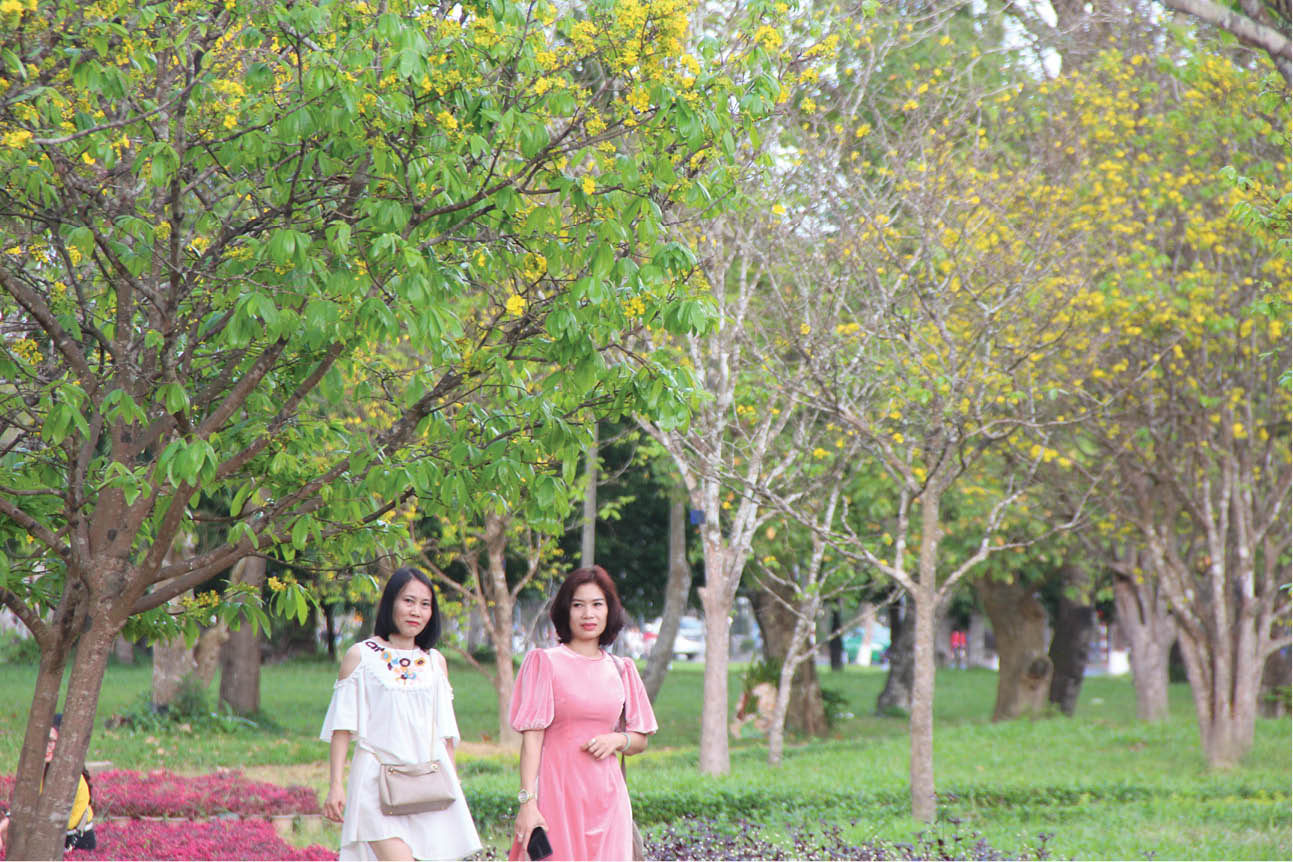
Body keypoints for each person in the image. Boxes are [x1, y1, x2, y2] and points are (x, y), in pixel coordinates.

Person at [321, 567, 481, 861]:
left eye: (425, 604)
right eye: (408, 601)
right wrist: (335, 785)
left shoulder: (435, 663)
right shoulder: (362, 656)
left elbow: (445, 734)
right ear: (391, 602)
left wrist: (453, 785)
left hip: (426, 784)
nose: (416, 611)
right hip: (374, 783)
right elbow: (341, 728)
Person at [509, 565, 658, 861]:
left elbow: (640, 739)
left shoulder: (622, 668)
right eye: (578, 605)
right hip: (557, 797)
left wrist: (618, 741)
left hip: (608, 801)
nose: (588, 614)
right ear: (566, 611)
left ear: (609, 611)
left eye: (597, 604)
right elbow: (532, 740)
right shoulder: (545, 663)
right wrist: (528, 802)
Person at [0, 713, 96, 855]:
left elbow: (49, 818)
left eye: (50, 741)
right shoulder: (41, 770)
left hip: (75, 845)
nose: (45, 746)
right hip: (49, 841)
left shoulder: (71, 778)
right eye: (43, 740)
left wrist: (6, 825)